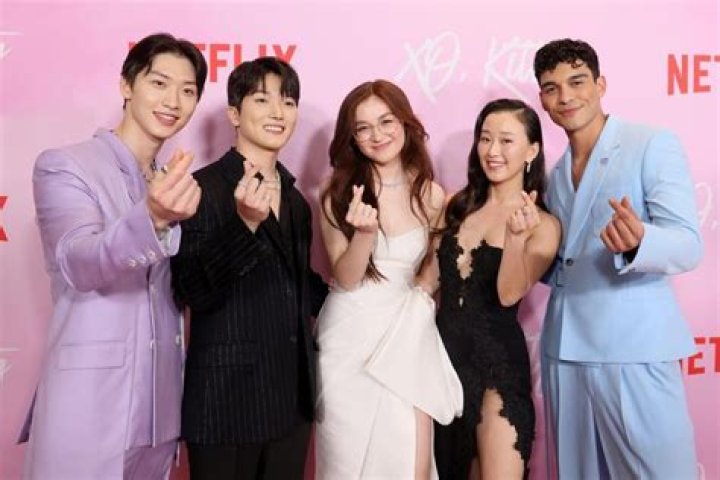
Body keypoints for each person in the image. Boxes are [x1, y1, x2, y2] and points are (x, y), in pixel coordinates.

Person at [19, 33, 207, 479]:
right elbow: (78, 262)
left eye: (187, 90)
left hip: (159, 417)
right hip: (89, 408)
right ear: (126, 85)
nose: (173, 101)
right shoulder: (66, 165)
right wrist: (154, 218)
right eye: (159, 83)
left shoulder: (173, 181)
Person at [533, 38, 702, 479]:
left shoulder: (651, 143)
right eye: (552, 88)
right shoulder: (554, 174)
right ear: (543, 101)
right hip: (565, 351)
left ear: (600, 84)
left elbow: (687, 244)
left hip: (635, 350)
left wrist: (638, 241)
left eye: (577, 82)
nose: (566, 96)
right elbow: (564, 264)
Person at [170, 57, 327, 480]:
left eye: (288, 102)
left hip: (291, 402)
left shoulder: (296, 201)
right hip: (225, 404)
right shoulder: (200, 188)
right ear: (234, 114)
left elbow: (299, 286)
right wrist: (245, 226)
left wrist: (369, 296)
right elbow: (192, 289)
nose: (278, 112)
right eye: (262, 99)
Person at [314, 79, 463, 480]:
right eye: (363, 128)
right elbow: (345, 279)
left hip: (408, 331)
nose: (377, 135)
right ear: (351, 137)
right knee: (347, 461)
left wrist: (424, 295)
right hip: (349, 337)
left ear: (404, 122)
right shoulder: (336, 191)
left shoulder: (431, 195)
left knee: (409, 458)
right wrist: (365, 234)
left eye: (386, 121)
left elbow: (432, 270)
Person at [431, 99, 560, 480]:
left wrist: (516, 239)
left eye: (506, 140)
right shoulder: (456, 207)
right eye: (485, 139)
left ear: (531, 151)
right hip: (441, 362)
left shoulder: (544, 224)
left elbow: (509, 294)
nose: (492, 150)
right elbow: (428, 281)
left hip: (497, 367)